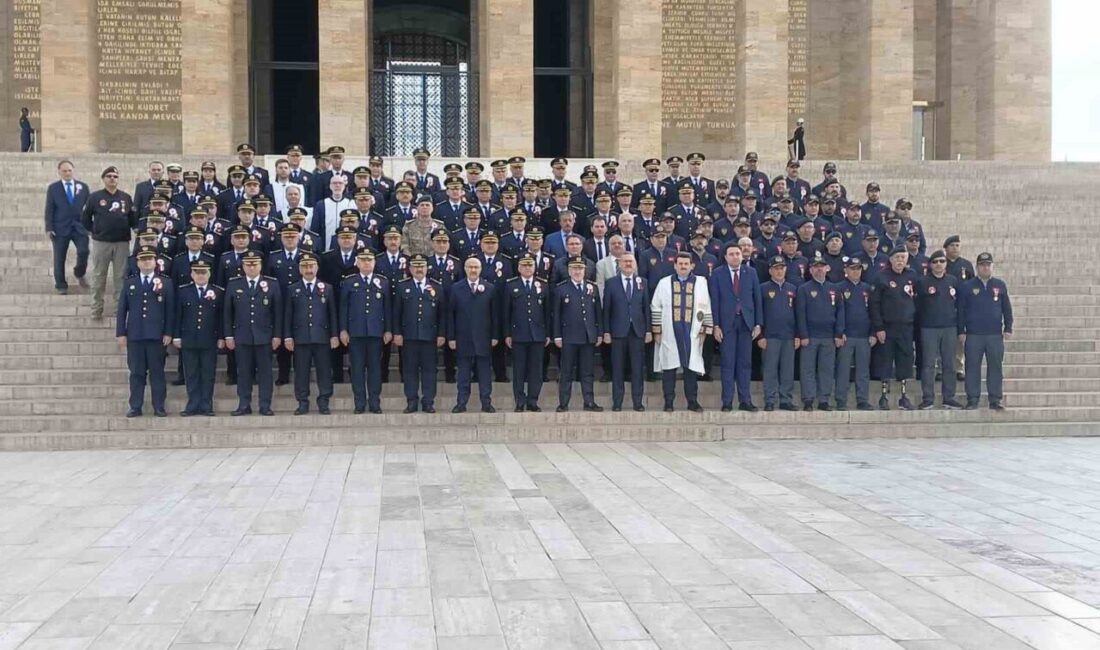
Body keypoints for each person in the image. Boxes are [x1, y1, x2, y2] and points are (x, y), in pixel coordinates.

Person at [115, 245, 174, 417]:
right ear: (138, 262)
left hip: (156, 335)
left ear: (156, 262)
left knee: (157, 373)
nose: (146, 262)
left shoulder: (166, 282)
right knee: (136, 373)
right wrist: (121, 333)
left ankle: (159, 406)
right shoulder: (130, 283)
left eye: (150, 259)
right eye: (143, 259)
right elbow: (122, 310)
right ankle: (135, 406)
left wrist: (168, 332)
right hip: (135, 335)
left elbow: (170, 311)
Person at [224, 250, 282, 416]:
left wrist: (277, 335)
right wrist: (228, 335)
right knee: (243, 373)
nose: (251, 267)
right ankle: (244, 404)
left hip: (264, 337)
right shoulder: (234, 284)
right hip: (242, 336)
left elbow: (277, 312)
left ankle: (265, 405)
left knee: (265, 373)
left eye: (254, 264)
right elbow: (228, 313)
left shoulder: (272, 284)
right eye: (248, 264)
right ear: (242, 266)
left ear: (260, 265)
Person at [652, 252, 711, 412]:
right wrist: (657, 331)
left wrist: (705, 330)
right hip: (670, 332)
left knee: (691, 368)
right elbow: (655, 306)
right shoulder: (664, 283)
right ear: (675, 265)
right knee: (669, 368)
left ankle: (692, 401)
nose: (683, 266)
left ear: (692, 265)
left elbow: (706, 306)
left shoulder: (701, 282)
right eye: (680, 263)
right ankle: (669, 402)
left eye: (686, 263)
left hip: (692, 332)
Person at [284, 253, 339, 415]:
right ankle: (302, 402)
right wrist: (288, 336)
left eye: (311, 266)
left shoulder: (327, 288)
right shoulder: (293, 289)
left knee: (324, 371)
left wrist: (334, 334)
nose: (308, 269)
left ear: (317, 267)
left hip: (322, 337)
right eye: (305, 266)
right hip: (300, 338)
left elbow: (332, 314)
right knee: (301, 372)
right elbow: (288, 315)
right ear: (300, 269)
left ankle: (324, 401)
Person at [710, 244, 762, 411]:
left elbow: (757, 299)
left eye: (737, 254)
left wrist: (758, 323)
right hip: (727, 324)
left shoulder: (751, 272)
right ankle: (727, 401)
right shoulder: (718, 274)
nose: (735, 257)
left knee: (745, 363)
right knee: (728, 363)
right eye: (731, 254)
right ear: (725, 257)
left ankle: (745, 400)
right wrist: (716, 325)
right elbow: (715, 301)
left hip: (746, 323)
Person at [958, 252, 1013, 410]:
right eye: (982, 265)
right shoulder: (968, 286)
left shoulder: (999, 285)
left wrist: (1008, 327)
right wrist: (961, 331)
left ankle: (995, 399)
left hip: (994, 334)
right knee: (972, 367)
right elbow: (961, 310)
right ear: (977, 267)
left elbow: (1006, 308)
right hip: (974, 334)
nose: (985, 268)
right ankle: (972, 399)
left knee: (995, 367)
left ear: (992, 266)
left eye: (988, 265)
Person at [340, 249, 392, 414]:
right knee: (357, 369)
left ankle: (375, 402)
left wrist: (388, 330)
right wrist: (343, 330)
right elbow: (343, 308)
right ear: (357, 262)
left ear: (374, 262)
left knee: (375, 369)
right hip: (356, 333)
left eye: (369, 260)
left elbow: (387, 309)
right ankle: (359, 403)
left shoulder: (382, 282)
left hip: (376, 333)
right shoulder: (349, 282)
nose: (366, 263)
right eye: (363, 260)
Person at [83, 166, 136, 320]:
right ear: (104, 179)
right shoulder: (95, 197)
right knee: (99, 275)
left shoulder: (125, 197)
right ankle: (96, 309)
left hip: (121, 243)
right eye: (109, 176)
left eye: (115, 176)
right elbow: (85, 218)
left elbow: (132, 218)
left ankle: (119, 311)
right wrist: (95, 231)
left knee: (121, 277)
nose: (112, 179)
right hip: (102, 243)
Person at [393, 255, 445, 413]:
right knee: (410, 370)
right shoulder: (403, 287)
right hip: (409, 336)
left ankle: (428, 401)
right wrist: (397, 333)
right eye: (415, 266)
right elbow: (397, 313)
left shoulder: (436, 287)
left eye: (421, 266)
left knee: (430, 370)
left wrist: (441, 334)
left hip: (430, 336)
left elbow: (442, 314)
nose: (419, 269)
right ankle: (411, 401)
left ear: (427, 268)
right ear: (410, 269)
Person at [870, 247, 920, 410]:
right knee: (885, 360)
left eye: (903, 257)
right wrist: (879, 327)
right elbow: (874, 304)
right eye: (897, 257)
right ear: (890, 259)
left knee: (905, 360)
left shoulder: (912, 275)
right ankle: (883, 396)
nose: (900, 261)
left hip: (906, 326)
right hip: (887, 327)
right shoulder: (881, 277)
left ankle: (904, 396)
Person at [173, 259, 223, 416]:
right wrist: (176, 336)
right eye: (197, 272)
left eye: (203, 272)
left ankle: (206, 405)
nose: (200, 276)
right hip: (189, 339)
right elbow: (177, 316)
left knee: (208, 374)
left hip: (209, 339)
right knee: (191, 373)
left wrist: (221, 336)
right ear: (192, 274)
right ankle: (193, 404)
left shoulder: (218, 291)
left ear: (209, 274)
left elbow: (221, 317)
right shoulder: (183, 291)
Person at [553, 257, 604, 412]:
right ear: (569, 271)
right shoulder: (561, 288)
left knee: (587, 372)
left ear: (585, 270)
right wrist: (557, 335)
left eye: (580, 268)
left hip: (588, 336)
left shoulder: (591, 288)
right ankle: (563, 403)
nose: (577, 271)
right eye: (574, 268)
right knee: (566, 372)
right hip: (568, 337)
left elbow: (597, 314)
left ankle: (589, 401)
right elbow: (556, 315)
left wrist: (599, 333)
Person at [448, 257, 498, 413]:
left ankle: (486, 403)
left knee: (484, 373)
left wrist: (495, 336)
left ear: (481, 269)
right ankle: (461, 403)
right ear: (465, 268)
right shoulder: (456, 288)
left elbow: (495, 315)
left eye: (476, 267)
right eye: (470, 267)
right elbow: (450, 315)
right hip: (463, 337)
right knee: (463, 374)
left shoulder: (489, 288)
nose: (473, 270)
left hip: (483, 338)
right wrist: (451, 337)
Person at [795, 255, 845, 410]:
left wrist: (838, 333)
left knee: (827, 369)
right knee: (807, 369)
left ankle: (824, 399)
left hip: (829, 336)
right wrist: (803, 335)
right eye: (816, 266)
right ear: (810, 270)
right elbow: (800, 314)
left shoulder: (835, 289)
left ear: (827, 268)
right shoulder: (804, 289)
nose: (819, 269)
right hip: (810, 336)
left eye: (822, 266)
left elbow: (840, 313)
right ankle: (808, 399)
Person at [603, 252, 650, 412]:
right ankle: (617, 402)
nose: (628, 264)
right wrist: (606, 331)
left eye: (631, 261)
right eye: (625, 262)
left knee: (637, 369)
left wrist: (648, 330)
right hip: (617, 332)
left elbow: (646, 309)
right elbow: (607, 310)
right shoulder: (611, 283)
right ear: (619, 265)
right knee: (618, 369)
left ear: (635, 264)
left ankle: (638, 402)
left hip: (637, 332)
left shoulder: (642, 282)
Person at [916, 250, 963, 409]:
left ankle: (948, 397)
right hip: (929, 328)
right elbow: (918, 306)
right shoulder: (923, 282)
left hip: (949, 327)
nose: (938, 264)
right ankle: (928, 398)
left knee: (949, 364)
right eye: (935, 261)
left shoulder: (953, 281)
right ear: (930, 265)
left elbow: (959, 305)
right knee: (929, 364)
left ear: (946, 264)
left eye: (942, 261)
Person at [504, 253, 550, 412]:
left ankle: (533, 400)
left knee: (536, 370)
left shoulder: (543, 285)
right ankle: (519, 401)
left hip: (538, 334)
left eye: (530, 265)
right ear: (518, 267)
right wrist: (507, 333)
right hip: (518, 334)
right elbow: (506, 312)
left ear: (534, 267)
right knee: (519, 370)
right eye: (524, 265)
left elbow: (547, 312)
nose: (527, 268)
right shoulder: (511, 285)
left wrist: (548, 333)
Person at [44, 160, 91, 294]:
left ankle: (79, 272)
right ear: (59, 172)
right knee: (59, 258)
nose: (67, 173)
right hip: (60, 228)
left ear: (73, 171)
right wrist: (49, 228)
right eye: (64, 171)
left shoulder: (83, 187)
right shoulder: (53, 188)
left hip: (79, 227)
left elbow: (89, 208)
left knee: (84, 251)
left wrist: (91, 225)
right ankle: (61, 285)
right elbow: (49, 209)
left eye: (69, 170)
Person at [758, 256, 798, 410]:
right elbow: (759, 313)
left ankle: (786, 400)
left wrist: (797, 335)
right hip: (770, 336)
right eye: (776, 268)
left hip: (788, 336)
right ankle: (770, 400)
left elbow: (798, 313)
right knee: (770, 370)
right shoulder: (763, 288)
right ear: (770, 271)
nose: (779, 271)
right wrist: (761, 335)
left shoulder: (792, 289)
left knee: (787, 370)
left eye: (782, 268)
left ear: (786, 270)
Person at [835, 256, 875, 411]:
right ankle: (840, 399)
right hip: (847, 335)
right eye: (852, 268)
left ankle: (862, 400)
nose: (856, 271)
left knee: (863, 370)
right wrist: (840, 332)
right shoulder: (839, 288)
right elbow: (838, 312)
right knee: (843, 369)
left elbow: (873, 312)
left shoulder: (868, 288)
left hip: (864, 335)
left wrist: (873, 332)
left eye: (858, 268)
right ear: (846, 270)